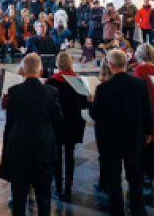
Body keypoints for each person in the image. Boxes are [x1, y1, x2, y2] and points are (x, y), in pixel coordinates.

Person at [90, 50, 152, 216]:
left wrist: (92, 102)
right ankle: (138, 210)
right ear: (126, 64)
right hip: (134, 137)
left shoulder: (103, 89)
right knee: (135, 178)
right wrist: (149, 131)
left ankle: (117, 211)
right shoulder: (140, 84)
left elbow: (95, 114)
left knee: (114, 180)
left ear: (110, 66)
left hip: (111, 141)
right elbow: (147, 111)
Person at [1, 53, 62, 216]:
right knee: (44, 198)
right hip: (43, 149)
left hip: (19, 149)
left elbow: (10, 123)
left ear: (22, 70)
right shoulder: (51, 91)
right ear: (40, 69)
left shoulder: (14, 91)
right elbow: (58, 119)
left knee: (19, 198)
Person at [45, 52, 90, 201]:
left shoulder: (51, 82)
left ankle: (58, 188)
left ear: (57, 64)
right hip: (72, 123)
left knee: (56, 156)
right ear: (70, 64)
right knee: (70, 155)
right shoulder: (76, 81)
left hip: (57, 124)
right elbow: (84, 104)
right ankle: (68, 188)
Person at [133, 44, 154, 186]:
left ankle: (142, 172)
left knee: (142, 138)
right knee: (152, 138)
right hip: (153, 106)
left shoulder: (139, 69)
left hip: (141, 107)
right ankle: (151, 173)